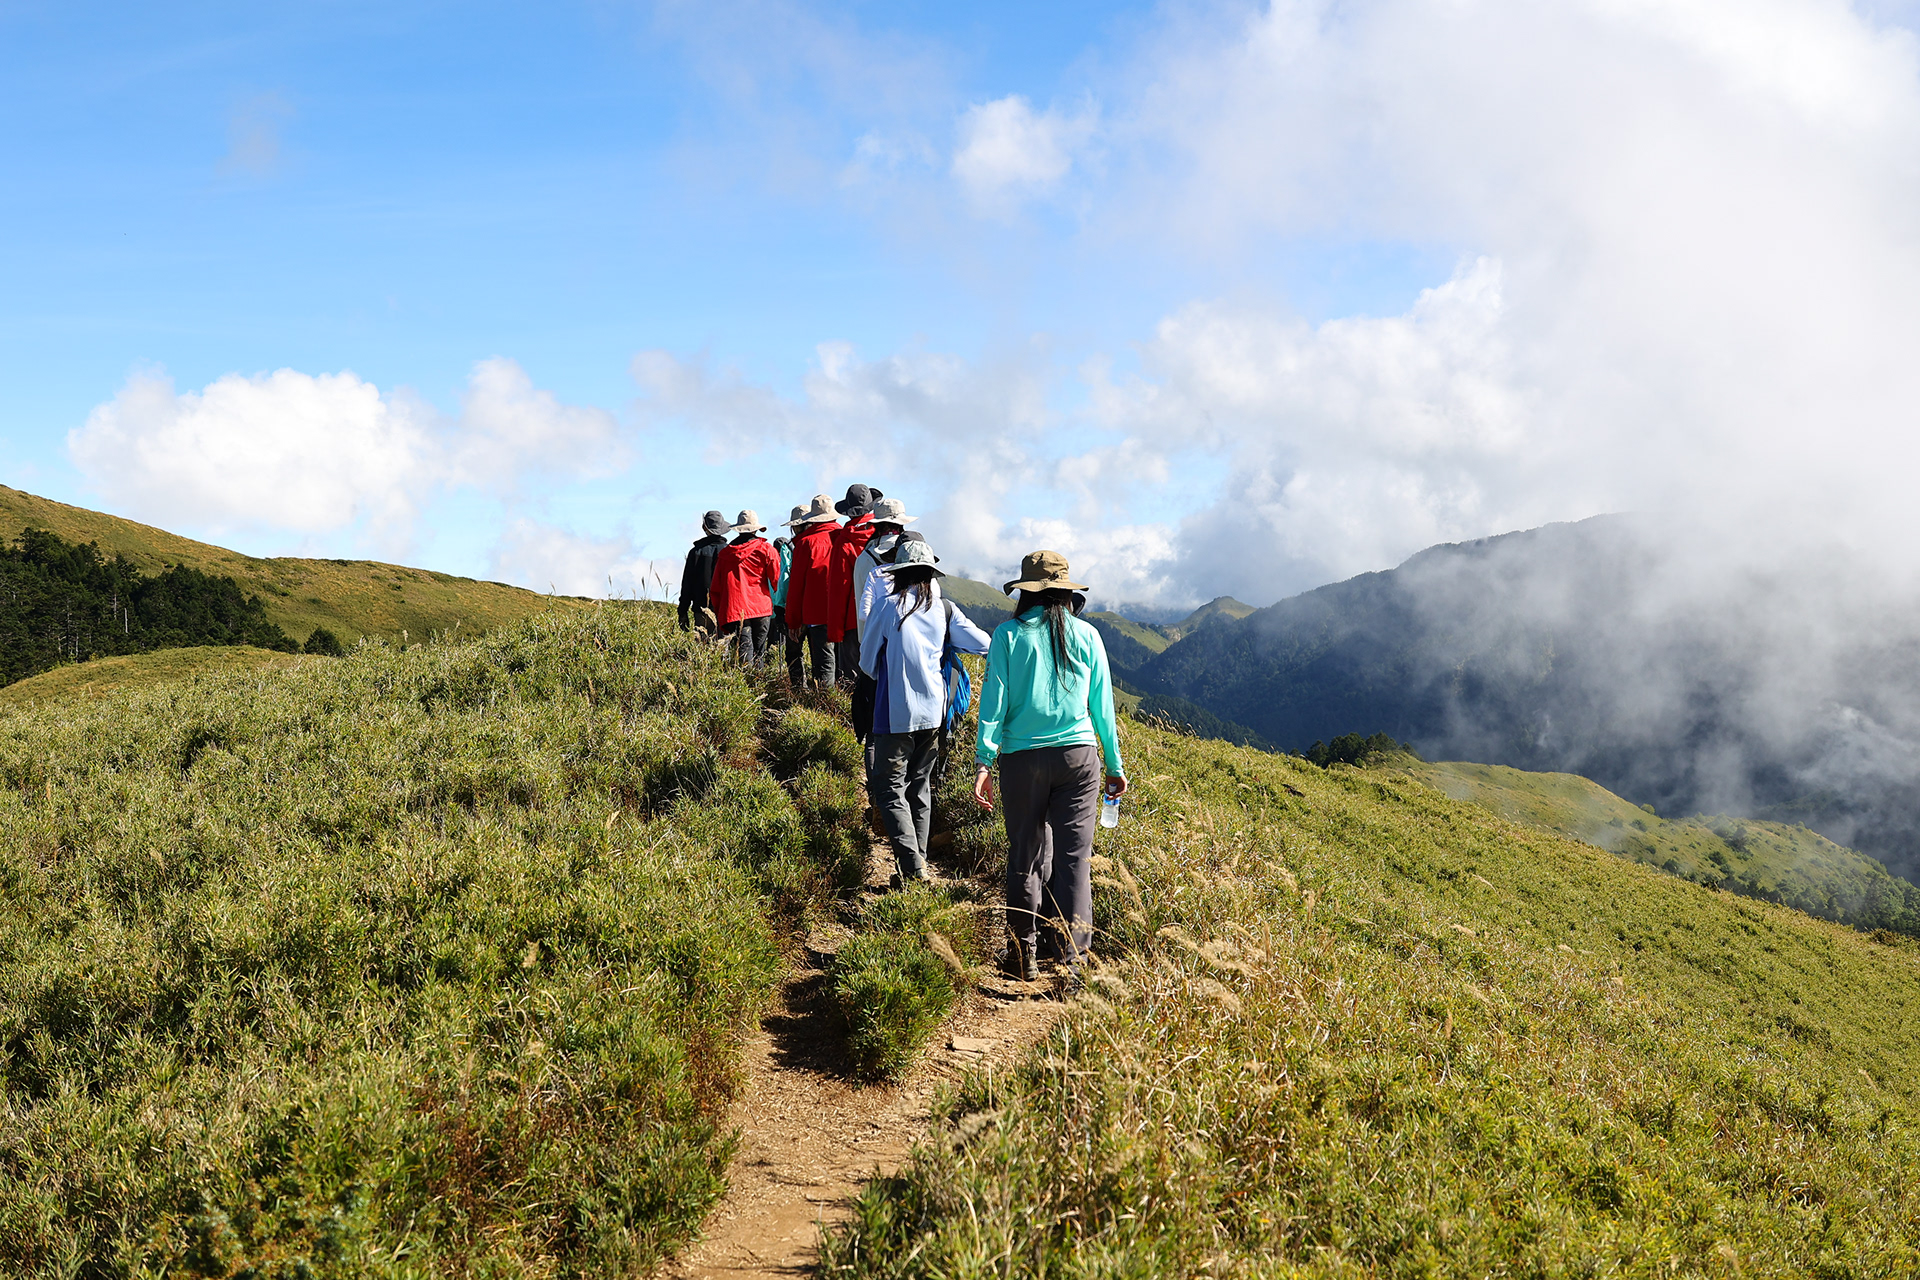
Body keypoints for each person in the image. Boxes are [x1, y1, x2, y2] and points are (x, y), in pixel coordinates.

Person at [972, 550, 1128, 982]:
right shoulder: (1088, 636)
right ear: (1065, 592)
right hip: (1079, 759)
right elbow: (1104, 709)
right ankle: (1074, 965)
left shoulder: (1007, 635)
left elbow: (994, 703)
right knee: (1075, 860)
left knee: (1025, 852)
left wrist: (985, 760)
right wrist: (1113, 765)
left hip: (1022, 760)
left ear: (1027, 592)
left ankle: (1024, 956)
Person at [860, 538, 991, 884]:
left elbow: (867, 660)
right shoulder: (945, 609)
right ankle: (916, 865)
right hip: (935, 714)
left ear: (898, 572)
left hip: (894, 713)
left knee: (889, 789)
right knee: (920, 787)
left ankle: (914, 869)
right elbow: (984, 644)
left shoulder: (887, 607)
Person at [781, 494, 841, 687]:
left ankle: (823, 706)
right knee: (844, 663)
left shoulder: (806, 543)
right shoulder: (845, 536)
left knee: (823, 664)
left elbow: (796, 586)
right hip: (846, 611)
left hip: (817, 613)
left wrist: (793, 621)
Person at [708, 510, 780, 665]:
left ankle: (747, 684)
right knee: (758, 653)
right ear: (755, 529)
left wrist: (721, 614)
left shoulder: (725, 554)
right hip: (762, 609)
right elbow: (776, 581)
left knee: (743, 652)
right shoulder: (767, 550)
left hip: (736, 610)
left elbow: (716, 588)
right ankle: (758, 685)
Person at [827, 483, 883, 684]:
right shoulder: (883, 532)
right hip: (887, 615)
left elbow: (838, 588)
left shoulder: (844, 541)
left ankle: (850, 715)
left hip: (854, 619)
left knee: (852, 678)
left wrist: (835, 630)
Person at [678, 510, 728, 634]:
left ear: (704, 527)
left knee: (703, 647)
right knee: (722, 648)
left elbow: (687, 584)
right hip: (724, 608)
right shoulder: (729, 552)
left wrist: (683, 610)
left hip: (701, 609)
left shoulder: (695, 552)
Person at [771, 506, 803, 683]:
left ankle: (798, 689)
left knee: (793, 650)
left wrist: (780, 606)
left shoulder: (788, 547)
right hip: (822, 606)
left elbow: (785, 577)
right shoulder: (829, 540)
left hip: (795, 605)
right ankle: (823, 694)